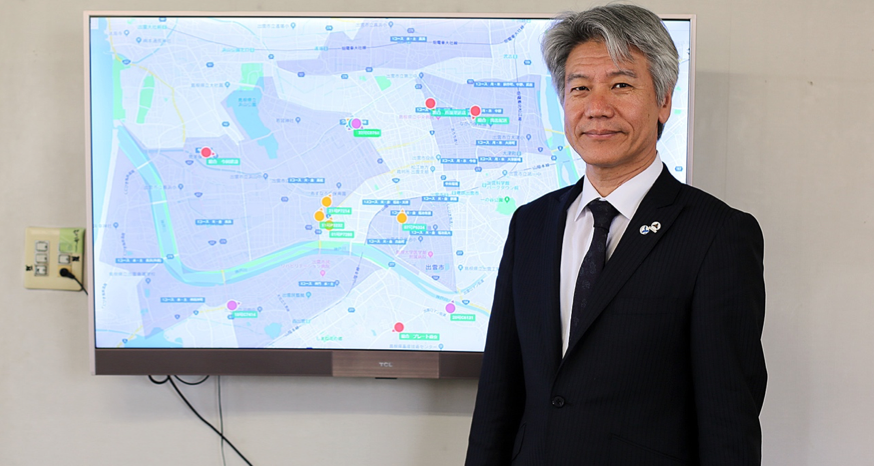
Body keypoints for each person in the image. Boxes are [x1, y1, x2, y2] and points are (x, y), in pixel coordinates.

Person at [465, 4, 766, 466]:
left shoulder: (717, 234)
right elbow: (498, 394)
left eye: (621, 85)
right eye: (579, 88)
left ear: (664, 101)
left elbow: (729, 421)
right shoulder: (531, 224)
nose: (597, 108)